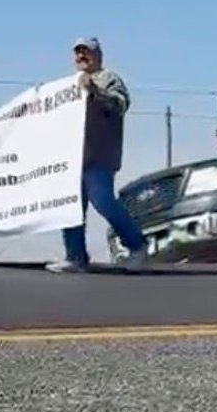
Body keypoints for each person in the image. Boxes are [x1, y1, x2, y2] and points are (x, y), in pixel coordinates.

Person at [46, 37, 149, 273]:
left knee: (102, 200)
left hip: (100, 156)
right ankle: (75, 256)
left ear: (98, 55)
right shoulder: (70, 85)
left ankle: (137, 246)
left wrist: (94, 92)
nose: (81, 57)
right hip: (74, 158)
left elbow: (120, 104)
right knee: (70, 207)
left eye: (86, 52)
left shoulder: (109, 79)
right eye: (78, 53)